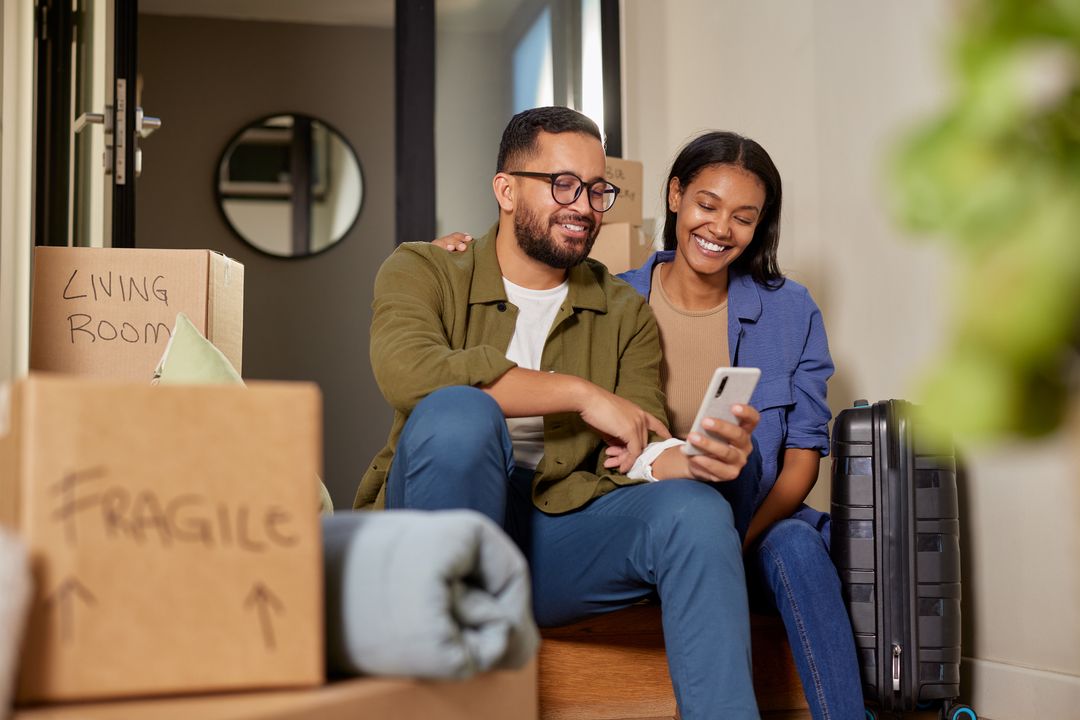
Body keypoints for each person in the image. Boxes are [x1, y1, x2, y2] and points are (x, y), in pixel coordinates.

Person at [436, 131, 864, 719]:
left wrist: (731, 544)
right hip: (650, 500)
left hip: (756, 515)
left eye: (744, 217)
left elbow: (802, 463)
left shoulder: (790, 309)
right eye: (707, 206)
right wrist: (459, 254)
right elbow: (526, 264)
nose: (720, 229)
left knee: (793, 538)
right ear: (675, 196)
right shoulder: (618, 299)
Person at [357, 107, 764, 719]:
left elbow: (637, 444)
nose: (584, 205)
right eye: (563, 184)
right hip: (437, 532)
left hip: (555, 538)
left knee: (699, 512)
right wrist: (579, 392)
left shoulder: (623, 310)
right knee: (462, 416)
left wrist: (697, 458)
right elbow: (411, 375)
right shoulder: (425, 269)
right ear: (505, 188)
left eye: (598, 189)